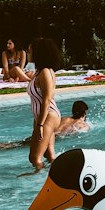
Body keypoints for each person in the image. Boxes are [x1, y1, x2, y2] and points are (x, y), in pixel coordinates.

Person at [12, 37, 63, 169]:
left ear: (39, 53)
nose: (28, 53)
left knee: (34, 158)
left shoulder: (45, 72)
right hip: (42, 116)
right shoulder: (39, 72)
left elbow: (46, 99)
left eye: (30, 51)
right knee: (49, 155)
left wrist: (40, 124)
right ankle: (57, 176)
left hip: (48, 117)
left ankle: (37, 183)